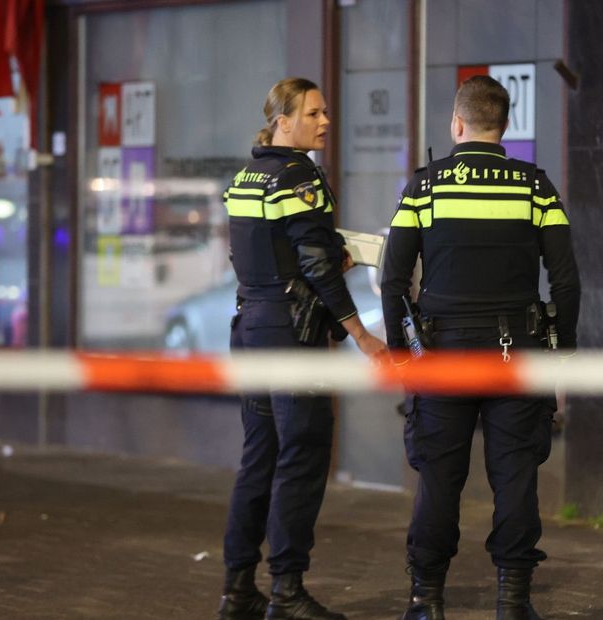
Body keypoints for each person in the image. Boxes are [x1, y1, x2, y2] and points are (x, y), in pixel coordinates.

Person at [381, 75, 580, 620]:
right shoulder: (535, 187)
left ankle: (426, 601)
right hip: (518, 352)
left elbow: (393, 279)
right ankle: (512, 603)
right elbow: (565, 281)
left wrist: (401, 353)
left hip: (441, 357)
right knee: (515, 476)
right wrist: (562, 358)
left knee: (439, 480)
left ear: (457, 123)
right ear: (506, 125)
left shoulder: (424, 187)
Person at [218, 77, 387, 620]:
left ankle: (238, 590)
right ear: (282, 121)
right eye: (313, 113)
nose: (325, 121)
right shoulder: (298, 175)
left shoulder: (247, 175)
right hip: (293, 335)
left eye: (325, 111)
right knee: (302, 456)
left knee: (259, 458)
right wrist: (361, 334)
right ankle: (287, 591)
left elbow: (258, 255)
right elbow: (316, 265)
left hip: (251, 328)